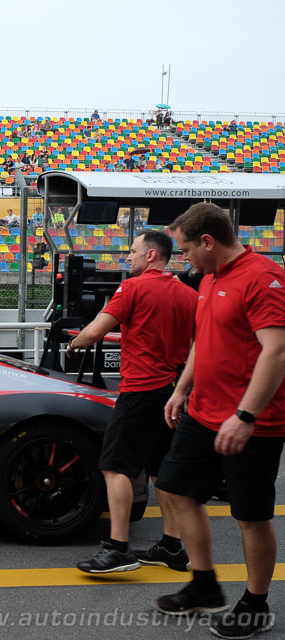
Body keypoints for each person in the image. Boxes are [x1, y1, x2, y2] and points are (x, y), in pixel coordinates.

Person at [153, 203, 285, 638]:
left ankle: (256, 604)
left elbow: (277, 351)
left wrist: (245, 415)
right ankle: (205, 585)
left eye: (186, 249)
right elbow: (204, 340)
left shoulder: (263, 278)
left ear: (208, 242)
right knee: (174, 488)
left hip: (252, 422)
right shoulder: (209, 278)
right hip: (203, 412)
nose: (183, 258)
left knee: (251, 516)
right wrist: (182, 388)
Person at [68, 231, 198, 574]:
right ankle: (172, 546)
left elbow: (95, 331)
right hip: (171, 391)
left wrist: (74, 343)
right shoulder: (189, 295)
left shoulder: (133, 288)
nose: (128, 257)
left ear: (152, 255)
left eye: (132, 250)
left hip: (139, 390)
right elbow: (198, 343)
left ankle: (118, 549)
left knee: (115, 467)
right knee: (160, 470)